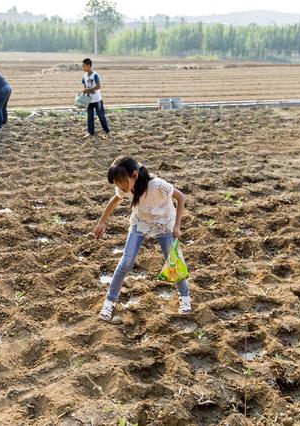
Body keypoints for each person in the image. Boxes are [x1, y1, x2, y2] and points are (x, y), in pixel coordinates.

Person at [94, 156, 191, 321]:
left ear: (134, 175)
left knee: (173, 260)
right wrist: (102, 221)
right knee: (126, 261)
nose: (119, 186)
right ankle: (110, 302)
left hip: (163, 223)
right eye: (116, 182)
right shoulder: (125, 189)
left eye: (121, 181)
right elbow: (115, 200)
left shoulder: (157, 185)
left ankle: (185, 297)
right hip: (141, 222)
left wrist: (177, 226)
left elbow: (180, 197)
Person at [81, 58, 112, 142]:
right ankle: (91, 133)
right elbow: (85, 87)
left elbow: (98, 86)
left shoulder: (95, 75)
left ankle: (108, 132)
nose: (82, 67)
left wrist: (89, 89)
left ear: (88, 65)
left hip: (97, 100)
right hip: (89, 101)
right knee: (89, 117)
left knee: (101, 116)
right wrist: (83, 94)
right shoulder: (84, 76)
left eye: (83, 65)